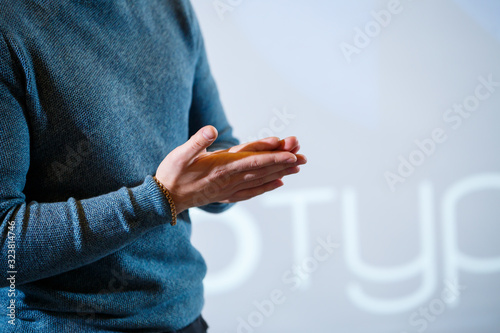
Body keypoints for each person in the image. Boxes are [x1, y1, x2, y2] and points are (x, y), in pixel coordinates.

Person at [0, 1, 306, 332]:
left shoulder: (172, 8)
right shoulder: (9, 27)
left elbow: (216, 141)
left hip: (184, 319)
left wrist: (226, 173)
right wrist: (157, 200)